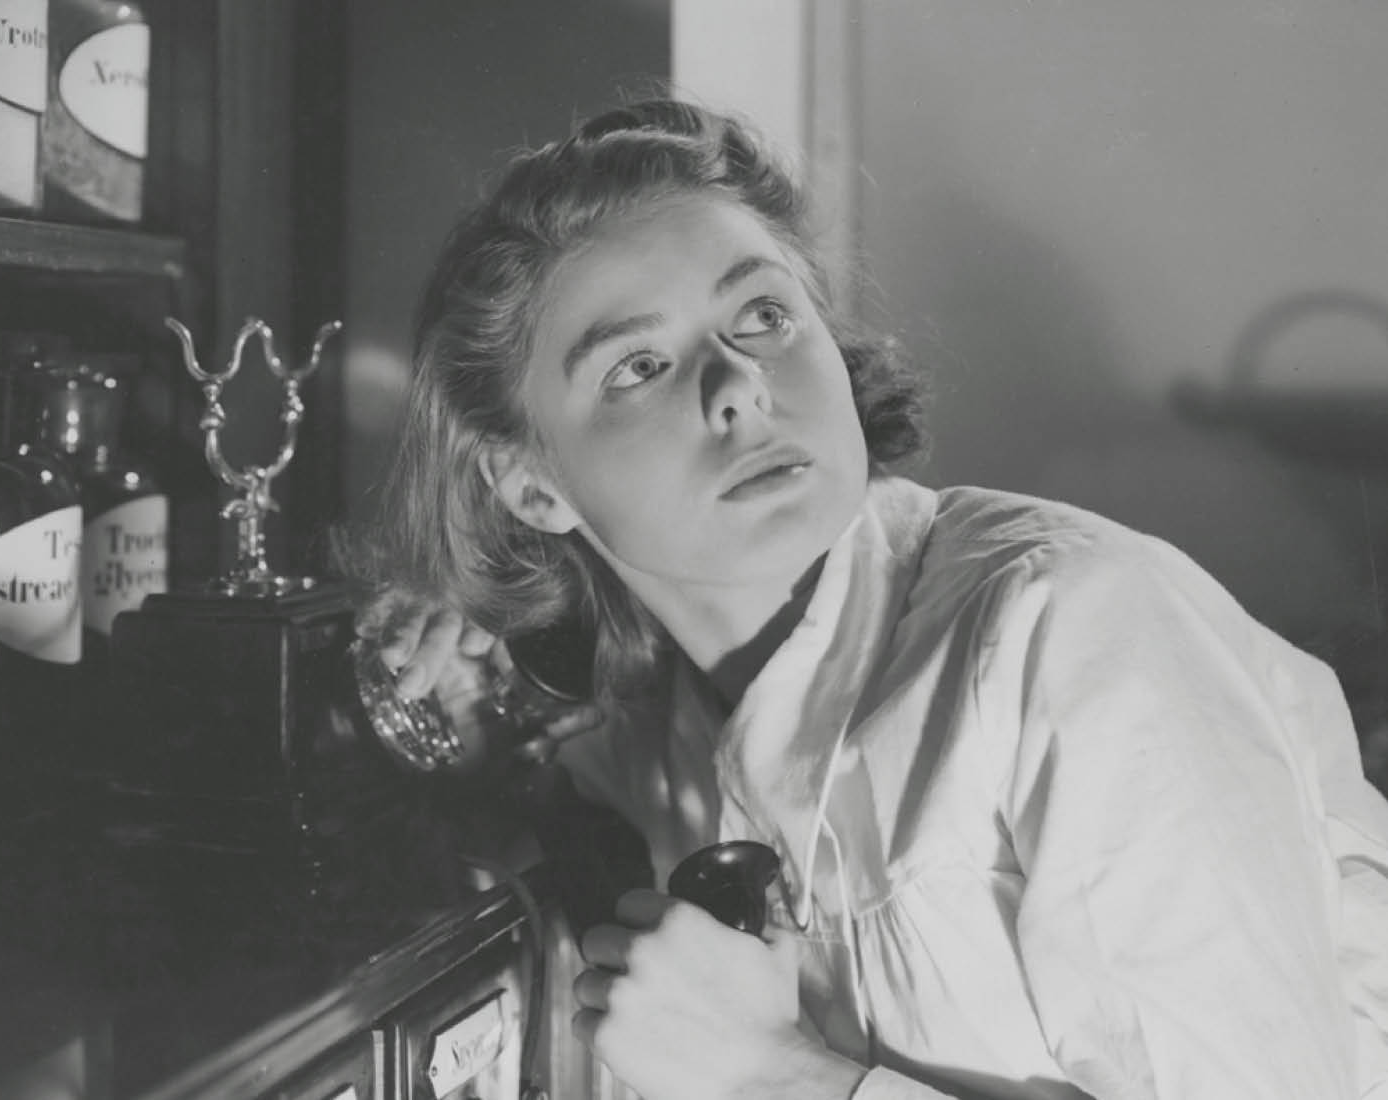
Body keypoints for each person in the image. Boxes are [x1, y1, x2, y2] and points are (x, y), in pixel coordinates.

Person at [351, 97, 1388, 1099]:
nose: (739, 385)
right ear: (531, 483)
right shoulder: (671, 734)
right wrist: (463, 710)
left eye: (763, 314)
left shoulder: (1072, 628)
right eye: (642, 364)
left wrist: (777, 1075)